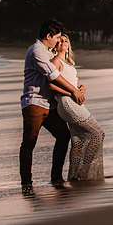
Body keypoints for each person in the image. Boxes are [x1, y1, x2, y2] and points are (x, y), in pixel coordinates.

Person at [19, 19, 86, 191]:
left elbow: (63, 73)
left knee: (63, 136)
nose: (58, 41)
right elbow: (53, 75)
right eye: (57, 37)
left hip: (50, 105)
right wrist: (74, 91)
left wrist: (78, 86)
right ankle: (26, 183)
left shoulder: (49, 52)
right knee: (29, 142)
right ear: (48, 36)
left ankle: (56, 177)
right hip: (34, 103)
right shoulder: (37, 51)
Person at [52, 34, 105, 181]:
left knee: (78, 140)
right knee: (98, 134)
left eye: (66, 41)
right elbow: (50, 85)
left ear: (69, 45)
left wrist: (81, 87)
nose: (63, 42)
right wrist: (71, 92)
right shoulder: (55, 61)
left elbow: (72, 82)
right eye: (60, 41)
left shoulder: (68, 63)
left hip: (74, 102)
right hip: (67, 104)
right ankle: (85, 171)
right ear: (55, 45)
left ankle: (74, 175)